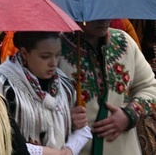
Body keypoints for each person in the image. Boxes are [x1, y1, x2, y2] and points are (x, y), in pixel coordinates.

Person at [0, 32, 92, 155]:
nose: (53, 63)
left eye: (58, 55)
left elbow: (83, 130)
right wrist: (43, 152)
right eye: (45, 56)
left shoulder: (63, 83)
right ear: (24, 53)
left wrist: (69, 150)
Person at [59, 20, 156, 155]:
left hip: (122, 149)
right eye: (96, 12)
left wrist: (129, 114)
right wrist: (64, 119)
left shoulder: (124, 42)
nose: (104, 19)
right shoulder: (56, 48)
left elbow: (150, 87)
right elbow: (34, 101)